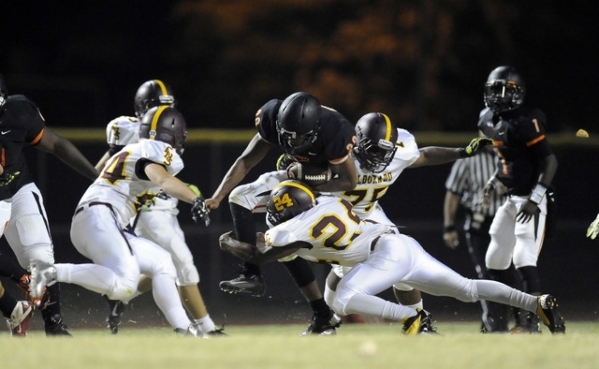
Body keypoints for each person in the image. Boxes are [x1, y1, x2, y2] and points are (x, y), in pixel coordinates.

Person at [219, 180, 566, 335]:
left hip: (381, 255)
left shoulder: (285, 231)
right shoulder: (329, 200)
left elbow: (259, 255)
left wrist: (227, 242)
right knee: (468, 288)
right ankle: (536, 304)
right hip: (397, 243)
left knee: (344, 301)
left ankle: (409, 318)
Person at [28, 106, 212, 336]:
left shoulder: (134, 149)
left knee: (164, 262)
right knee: (125, 285)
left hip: (101, 220)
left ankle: (185, 330)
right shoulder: (150, 153)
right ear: (173, 135)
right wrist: (195, 199)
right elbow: (162, 179)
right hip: (100, 216)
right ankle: (51, 272)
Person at [318, 112, 493, 328]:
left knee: (400, 261)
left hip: (371, 212)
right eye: (374, 150)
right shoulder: (339, 153)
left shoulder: (400, 151)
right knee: (334, 298)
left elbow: (425, 156)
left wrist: (461, 152)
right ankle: (325, 317)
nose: (380, 158)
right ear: (357, 142)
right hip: (338, 215)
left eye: (385, 152)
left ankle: (418, 320)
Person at [206, 92, 358, 335]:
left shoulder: (335, 129)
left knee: (283, 237)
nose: (293, 143)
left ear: (315, 128)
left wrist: (310, 181)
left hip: (328, 183)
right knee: (240, 197)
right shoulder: (271, 116)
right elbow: (245, 161)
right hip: (294, 177)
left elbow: (349, 181)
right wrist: (217, 196)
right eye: (287, 136)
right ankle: (251, 274)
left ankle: (323, 314)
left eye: (300, 138)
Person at [94, 79, 223, 336]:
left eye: (168, 106)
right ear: (143, 107)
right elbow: (105, 169)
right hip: (147, 209)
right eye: (157, 106)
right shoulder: (125, 128)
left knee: (166, 268)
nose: (165, 112)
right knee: (184, 262)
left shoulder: (171, 123)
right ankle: (206, 329)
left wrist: (183, 189)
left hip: (168, 205)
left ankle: (121, 295)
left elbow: (162, 173)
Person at [0, 73, 100, 336]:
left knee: (39, 254)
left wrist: (97, 177)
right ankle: (12, 308)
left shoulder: (17, 112)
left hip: (17, 189)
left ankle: (54, 323)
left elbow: (56, 144)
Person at [479, 66, 558, 333]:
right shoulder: (487, 119)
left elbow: (549, 160)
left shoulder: (527, 119)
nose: (497, 96)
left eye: (503, 90)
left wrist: (535, 198)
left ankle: (532, 322)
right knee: (495, 259)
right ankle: (501, 319)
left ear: (517, 93)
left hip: (532, 198)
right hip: (511, 198)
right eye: (493, 90)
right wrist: (493, 181)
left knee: (523, 258)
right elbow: (509, 161)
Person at [443, 145, 521, 332]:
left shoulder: (511, 155)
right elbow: (453, 193)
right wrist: (449, 226)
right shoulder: (468, 158)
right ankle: (495, 324)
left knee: (511, 275)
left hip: (508, 225)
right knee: (488, 276)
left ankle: (521, 322)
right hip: (480, 226)